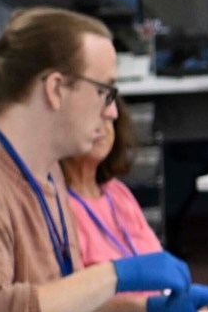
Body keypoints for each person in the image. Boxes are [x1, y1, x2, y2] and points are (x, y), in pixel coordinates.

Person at [0, 6, 208, 312]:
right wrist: (113, 275)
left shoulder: (47, 175)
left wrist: (145, 307)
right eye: (105, 91)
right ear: (56, 89)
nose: (113, 111)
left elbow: (58, 309)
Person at [62, 109, 167, 296]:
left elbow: (157, 262)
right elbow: (75, 304)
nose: (109, 114)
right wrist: (149, 308)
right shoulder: (59, 206)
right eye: (94, 114)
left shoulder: (117, 192)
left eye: (108, 119)